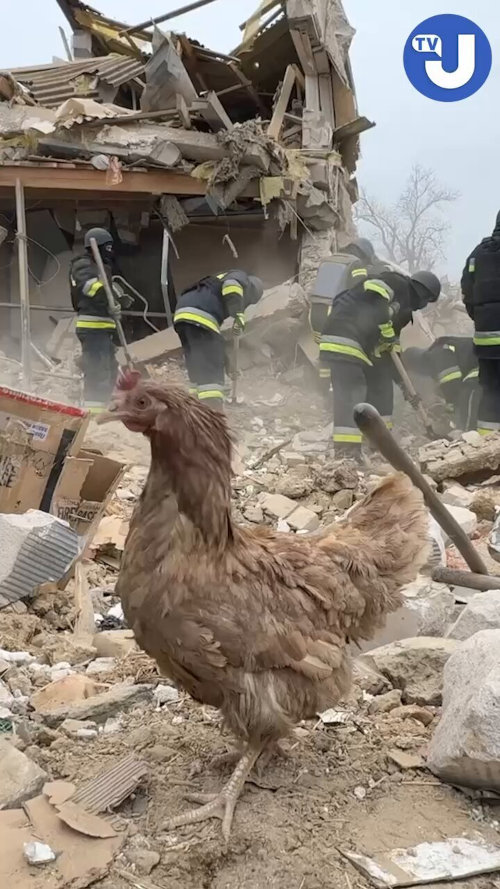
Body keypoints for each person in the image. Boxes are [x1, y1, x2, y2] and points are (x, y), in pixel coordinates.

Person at [319, 269, 441, 459]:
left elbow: (391, 354)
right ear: (423, 293)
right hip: (345, 335)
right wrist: (387, 333)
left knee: (379, 387)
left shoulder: (401, 308)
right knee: (352, 391)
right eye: (427, 301)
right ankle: (347, 453)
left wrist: (405, 387)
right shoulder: (397, 283)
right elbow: (376, 301)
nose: (421, 307)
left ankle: (379, 445)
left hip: (351, 339)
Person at [173, 271, 264, 409]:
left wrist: (227, 364)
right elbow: (231, 285)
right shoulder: (241, 277)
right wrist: (238, 313)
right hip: (200, 314)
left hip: (182, 315)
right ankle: (213, 414)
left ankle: (194, 409)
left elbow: (212, 348)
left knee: (197, 364)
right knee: (211, 373)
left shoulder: (217, 282)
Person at [309, 238, 382, 388]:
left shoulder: (328, 261)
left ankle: (322, 389)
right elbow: (360, 290)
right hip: (334, 313)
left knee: (324, 352)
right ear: (365, 254)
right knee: (338, 355)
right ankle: (335, 391)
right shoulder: (356, 264)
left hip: (315, 312)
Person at [70, 228, 120, 414]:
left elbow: (105, 291)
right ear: (97, 246)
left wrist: (115, 304)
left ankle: (104, 407)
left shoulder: (101, 266)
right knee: (97, 372)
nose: (111, 250)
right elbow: (90, 288)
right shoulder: (82, 264)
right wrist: (110, 298)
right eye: (108, 247)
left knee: (110, 370)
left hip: (103, 327)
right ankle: (93, 417)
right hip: (92, 327)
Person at [461, 212, 500, 436]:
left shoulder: (477, 253)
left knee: (491, 391)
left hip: (486, 339)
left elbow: (466, 290)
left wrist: (481, 318)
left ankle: (486, 449)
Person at [403, 337, 478, 431]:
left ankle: (469, 433)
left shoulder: (438, 354)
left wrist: (450, 408)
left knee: (467, 402)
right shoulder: (440, 349)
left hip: (480, 371)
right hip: (489, 367)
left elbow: (452, 383)